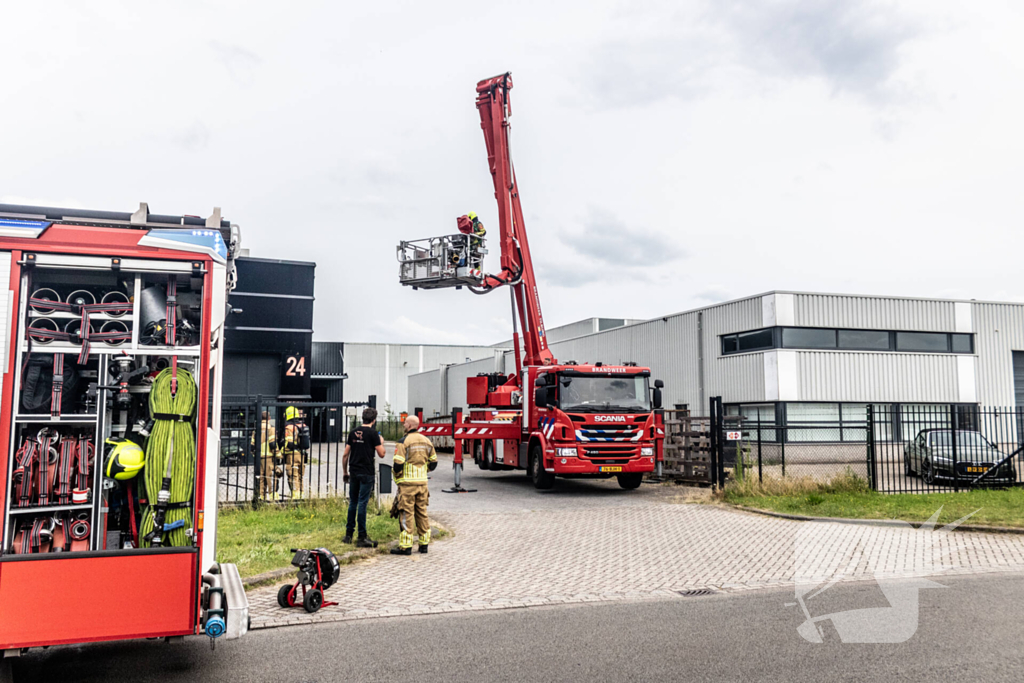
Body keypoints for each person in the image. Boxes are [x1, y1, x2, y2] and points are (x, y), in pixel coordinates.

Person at [390, 415, 438, 555]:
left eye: (405, 423)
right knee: (422, 512)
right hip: (422, 484)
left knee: (406, 513)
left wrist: (397, 475)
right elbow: (434, 463)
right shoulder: (427, 441)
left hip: (407, 485)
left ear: (409, 425)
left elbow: (398, 464)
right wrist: (423, 470)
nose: (403, 425)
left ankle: (406, 546)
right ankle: (424, 544)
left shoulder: (403, 442)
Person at [342, 407, 386, 547]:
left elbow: (345, 454)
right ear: (374, 420)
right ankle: (362, 536)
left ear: (362, 417)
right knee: (362, 503)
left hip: (353, 471)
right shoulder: (373, 434)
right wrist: (381, 442)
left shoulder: (353, 432)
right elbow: (382, 454)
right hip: (366, 471)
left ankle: (348, 534)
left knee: (353, 502)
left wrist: (345, 472)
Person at [251, 410, 280, 499]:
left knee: (261, 478)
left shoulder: (256, 430)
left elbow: (252, 445)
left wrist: (254, 455)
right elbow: (273, 444)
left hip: (259, 458)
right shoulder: (271, 428)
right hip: (269, 457)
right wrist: (279, 455)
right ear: (269, 418)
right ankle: (273, 495)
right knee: (270, 477)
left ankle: (261, 496)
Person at [281, 405, 308, 499]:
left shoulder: (289, 427)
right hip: (302, 454)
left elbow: (289, 443)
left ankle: (295, 494)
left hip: (292, 455)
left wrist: (281, 451)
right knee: (300, 475)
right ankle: (301, 493)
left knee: (292, 474)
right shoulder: (303, 426)